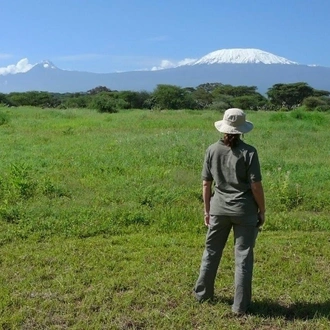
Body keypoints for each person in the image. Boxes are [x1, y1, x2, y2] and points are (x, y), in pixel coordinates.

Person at [193, 108, 265, 315]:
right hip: (244, 211)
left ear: (223, 127)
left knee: (211, 252)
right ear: (242, 130)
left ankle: (202, 294)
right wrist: (262, 210)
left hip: (218, 209)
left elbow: (206, 184)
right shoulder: (249, 152)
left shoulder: (211, 150)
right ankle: (240, 306)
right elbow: (256, 186)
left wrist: (207, 210)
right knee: (243, 257)